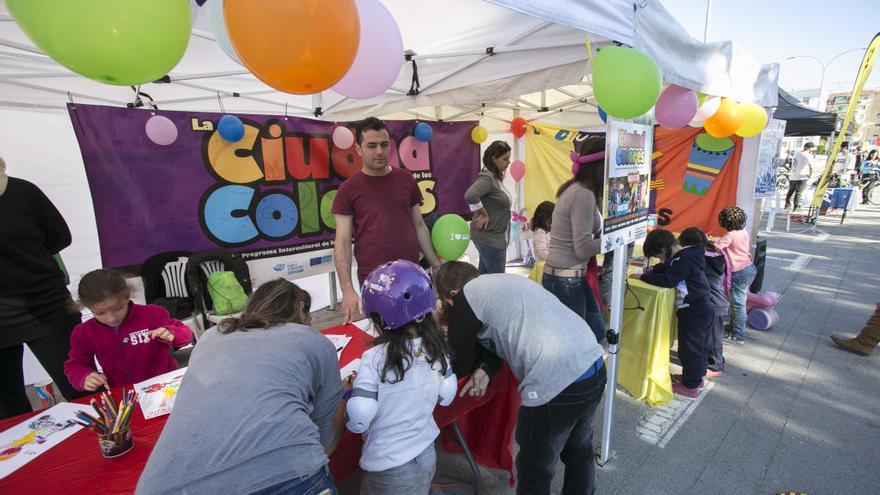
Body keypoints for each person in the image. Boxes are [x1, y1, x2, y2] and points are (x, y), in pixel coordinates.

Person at [137, 279, 346, 495]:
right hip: (287, 475)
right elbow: (324, 430)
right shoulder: (312, 339)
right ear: (302, 311)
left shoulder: (211, 336)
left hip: (163, 486)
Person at [435, 261, 606, 495]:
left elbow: (460, 362)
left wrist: (475, 365)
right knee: (579, 452)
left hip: (556, 382)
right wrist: (486, 368)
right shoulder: (500, 281)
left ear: (452, 294)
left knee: (535, 468)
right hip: (592, 363)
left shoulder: (466, 297)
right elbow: (501, 330)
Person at [348, 260, 456, 494]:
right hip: (427, 454)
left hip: (389, 466)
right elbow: (446, 393)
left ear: (379, 318)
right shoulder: (437, 347)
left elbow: (360, 415)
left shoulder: (374, 357)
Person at [332, 117, 441, 324]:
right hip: (375, 282)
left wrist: (436, 266)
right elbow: (342, 242)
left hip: (412, 277)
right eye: (371, 146)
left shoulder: (405, 178)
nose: (379, 151)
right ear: (358, 149)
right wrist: (347, 289)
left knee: (423, 338)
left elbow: (419, 225)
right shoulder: (348, 189)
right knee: (384, 345)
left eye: (384, 144)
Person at [0, 157, 85, 418]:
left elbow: (59, 236)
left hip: (44, 302)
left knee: (80, 385)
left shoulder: (23, 192)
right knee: (7, 407)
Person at [63, 269, 193, 392]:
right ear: (87, 308)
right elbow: (75, 365)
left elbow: (186, 334)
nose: (111, 318)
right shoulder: (84, 333)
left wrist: (171, 333)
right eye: (100, 313)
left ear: (127, 297)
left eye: (118, 308)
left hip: (166, 385)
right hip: (126, 393)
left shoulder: (152, 314)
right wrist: (84, 376)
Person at [543, 136, 607, 344]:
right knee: (576, 341)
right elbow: (583, 248)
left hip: (568, 278)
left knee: (595, 331)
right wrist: (615, 240)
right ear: (600, 167)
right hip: (565, 279)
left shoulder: (583, 191)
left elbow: (595, 228)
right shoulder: (582, 195)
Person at [638, 229, 713, 399]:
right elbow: (667, 267)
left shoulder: (682, 261)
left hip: (693, 310)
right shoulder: (685, 256)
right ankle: (694, 378)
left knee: (690, 349)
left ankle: (691, 386)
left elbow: (668, 280)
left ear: (664, 249)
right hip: (701, 308)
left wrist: (643, 277)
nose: (660, 260)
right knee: (699, 347)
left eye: (658, 256)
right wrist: (654, 269)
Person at [679, 227, 728, 377]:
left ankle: (715, 366)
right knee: (711, 338)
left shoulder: (700, 259)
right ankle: (715, 361)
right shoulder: (714, 255)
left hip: (713, 303)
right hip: (717, 302)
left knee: (712, 339)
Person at [464, 141, 512, 274]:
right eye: (505, 159)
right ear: (494, 159)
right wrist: (483, 213)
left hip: (491, 237)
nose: (508, 162)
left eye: (509, 159)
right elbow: (470, 195)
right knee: (496, 281)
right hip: (490, 238)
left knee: (485, 278)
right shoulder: (487, 178)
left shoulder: (494, 178)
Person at [715, 206, 756, 344]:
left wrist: (709, 242)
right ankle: (733, 327)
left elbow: (716, 247)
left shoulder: (730, 235)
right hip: (749, 268)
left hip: (739, 272)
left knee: (737, 304)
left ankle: (738, 334)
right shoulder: (743, 231)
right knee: (736, 302)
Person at [785, 142, 814, 210]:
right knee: (799, 192)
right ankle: (796, 207)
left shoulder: (797, 153)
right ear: (809, 148)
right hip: (802, 176)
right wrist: (810, 174)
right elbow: (811, 166)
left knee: (791, 191)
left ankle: (787, 204)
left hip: (793, 175)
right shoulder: (807, 155)